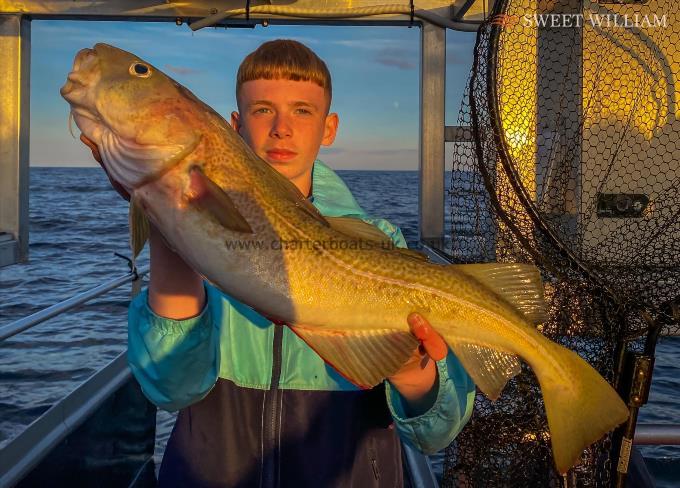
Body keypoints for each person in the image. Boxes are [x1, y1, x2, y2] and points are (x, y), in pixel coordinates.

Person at [82, 39, 475, 487]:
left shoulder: (382, 243)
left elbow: (436, 432)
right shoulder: (202, 233)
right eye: (263, 110)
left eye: (302, 111)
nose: (281, 129)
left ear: (329, 128)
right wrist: (169, 220)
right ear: (234, 124)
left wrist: (409, 370)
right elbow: (171, 388)